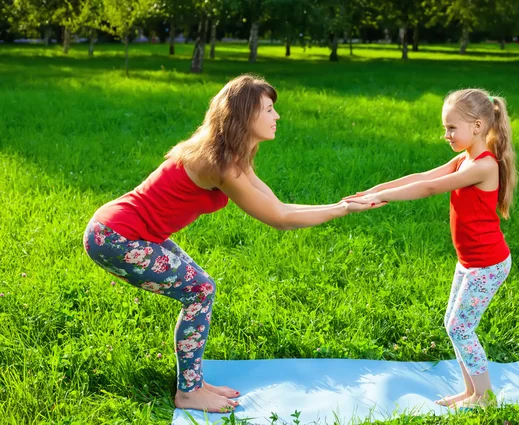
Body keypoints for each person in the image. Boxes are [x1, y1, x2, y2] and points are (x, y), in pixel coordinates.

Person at [83, 74, 383, 413]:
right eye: (269, 109)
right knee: (200, 290)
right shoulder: (220, 163)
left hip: (128, 232)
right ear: (245, 117)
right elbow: (279, 220)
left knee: (201, 288)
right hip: (115, 238)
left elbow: (280, 205)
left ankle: (193, 383)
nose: (277, 116)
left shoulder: (231, 154)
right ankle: (189, 392)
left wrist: (340, 205)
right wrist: (342, 210)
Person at [346, 88, 517, 408]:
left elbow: (429, 187)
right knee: (455, 327)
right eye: (445, 128)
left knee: (460, 328)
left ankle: (485, 397)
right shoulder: (465, 159)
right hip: (470, 261)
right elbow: (422, 175)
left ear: (477, 126)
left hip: (488, 263)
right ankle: (471, 393)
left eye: (452, 128)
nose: (446, 134)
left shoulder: (483, 166)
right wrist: (373, 190)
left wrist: (381, 199)